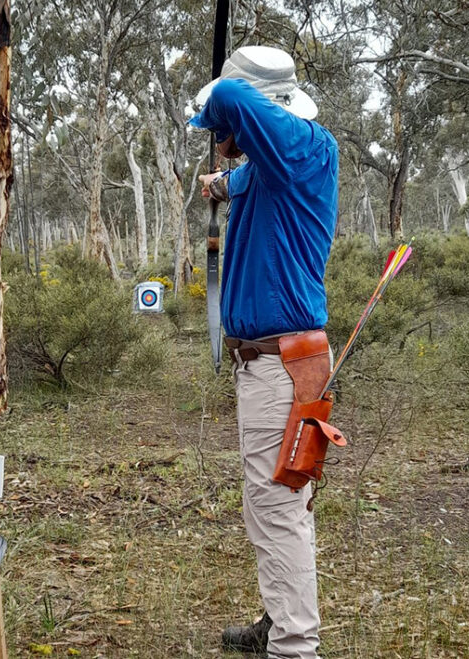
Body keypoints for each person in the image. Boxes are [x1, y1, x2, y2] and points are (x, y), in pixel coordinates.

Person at [190, 46, 339, 659]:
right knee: (269, 504)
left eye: (231, 134)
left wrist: (217, 97)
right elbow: (238, 179)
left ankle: (295, 647)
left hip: (284, 362)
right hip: (268, 365)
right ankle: (279, 622)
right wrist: (218, 182)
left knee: (278, 508)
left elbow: (230, 101)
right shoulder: (267, 169)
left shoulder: (307, 148)